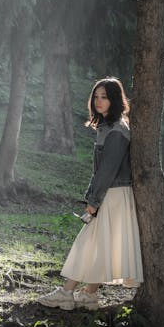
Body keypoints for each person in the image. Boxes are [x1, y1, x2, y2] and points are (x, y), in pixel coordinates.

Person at [37, 77, 144, 311]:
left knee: (88, 242)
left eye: (104, 97)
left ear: (115, 99)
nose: (99, 101)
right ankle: (89, 295)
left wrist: (93, 202)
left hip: (113, 195)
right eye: (96, 96)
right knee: (101, 244)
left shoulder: (117, 130)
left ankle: (67, 293)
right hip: (114, 194)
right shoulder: (109, 126)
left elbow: (107, 170)